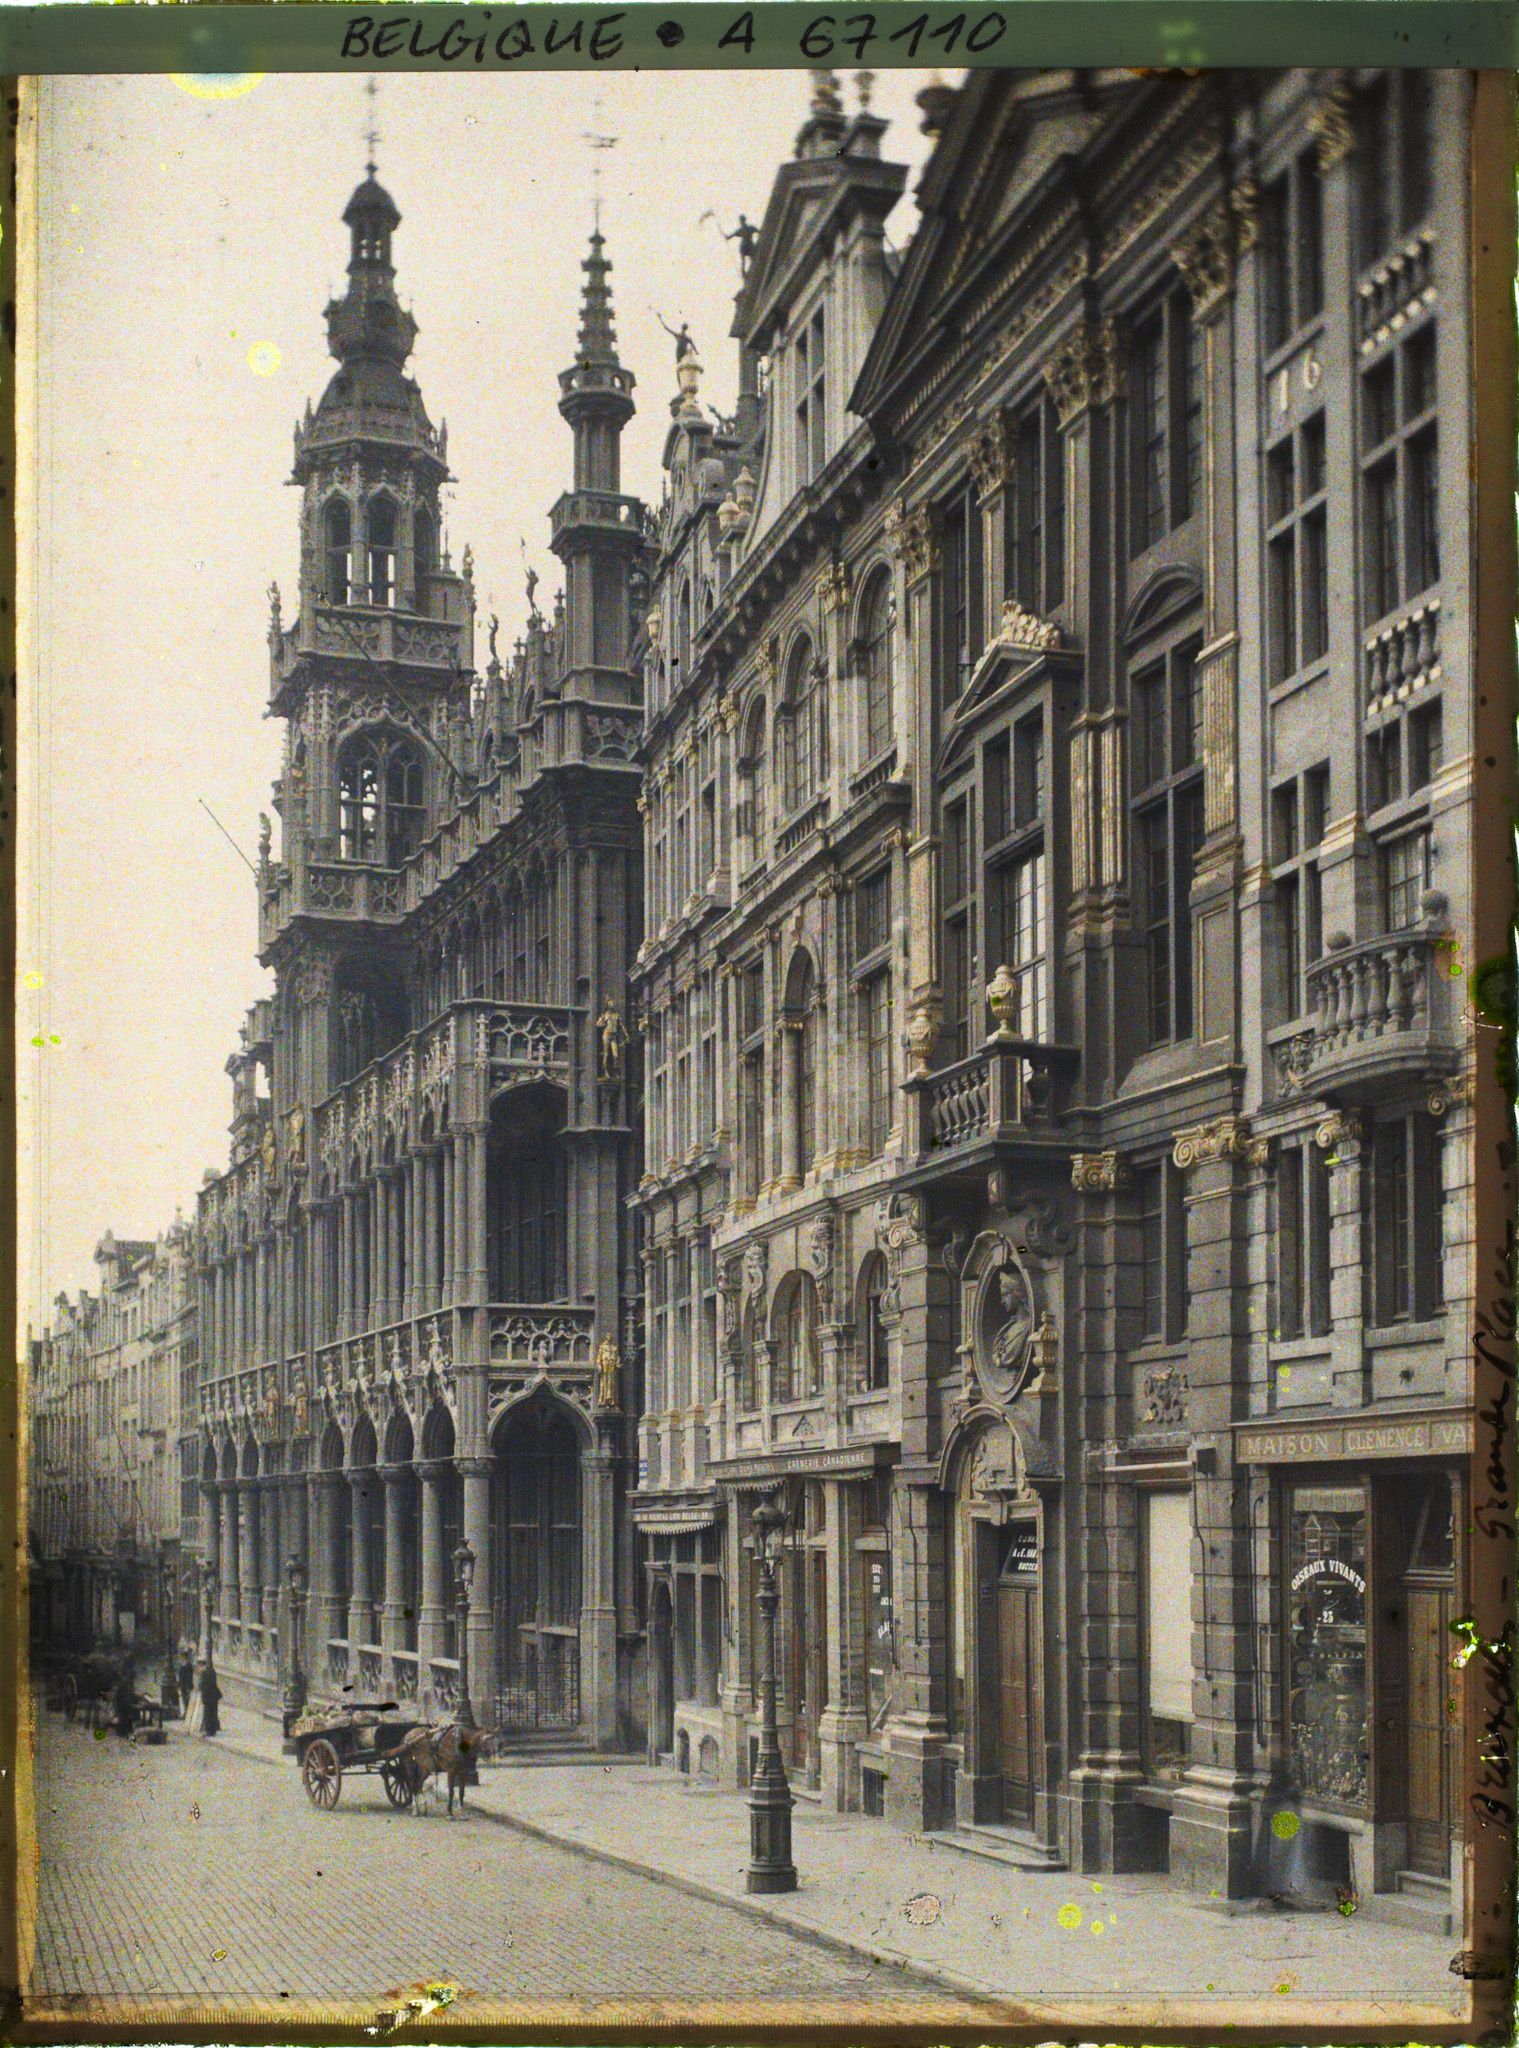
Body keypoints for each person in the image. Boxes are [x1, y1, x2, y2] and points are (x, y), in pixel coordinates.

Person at [112, 1660, 137, 1740]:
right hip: (121, 1705)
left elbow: (130, 1695)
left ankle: (125, 1733)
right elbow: (126, 1696)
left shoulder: (128, 1682)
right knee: (124, 1720)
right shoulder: (125, 1683)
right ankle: (122, 1734)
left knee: (127, 1720)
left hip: (124, 1704)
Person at [197, 1658, 221, 1737]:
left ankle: (209, 1731)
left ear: (202, 1665)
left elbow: (203, 1685)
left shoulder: (204, 1673)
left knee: (208, 1714)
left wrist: (199, 1687)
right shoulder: (212, 1671)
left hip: (208, 1696)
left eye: (199, 1665)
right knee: (213, 1713)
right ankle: (213, 1730)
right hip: (214, 1695)